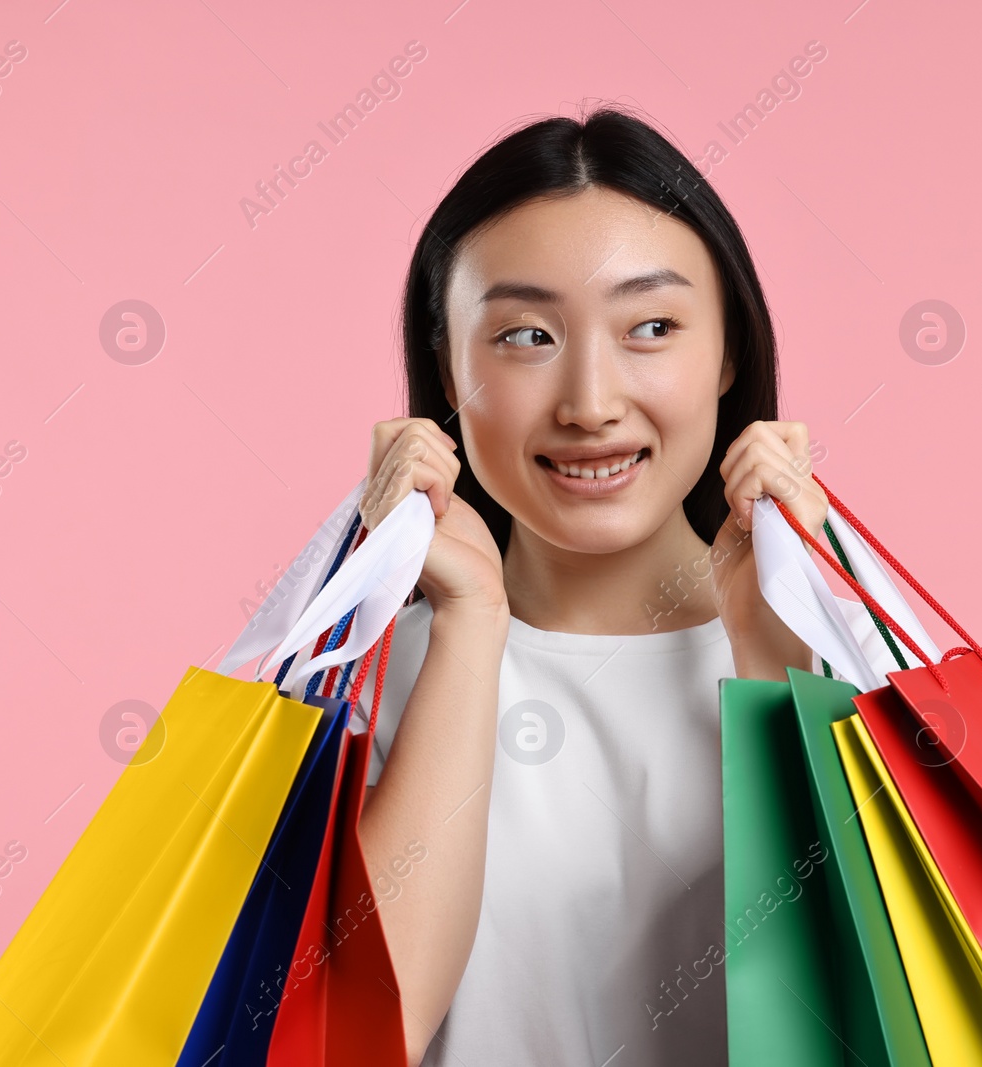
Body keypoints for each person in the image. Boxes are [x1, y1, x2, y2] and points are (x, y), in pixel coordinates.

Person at [351, 106, 838, 1067]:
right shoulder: (361, 682)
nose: (589, 402)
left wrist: (783, 660)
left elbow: (871, 1021)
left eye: (651, 326)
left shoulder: (856, 670)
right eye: (526, 337)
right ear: (446, 371)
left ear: (730, 349)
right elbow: (368, 1035)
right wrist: (469, 624)